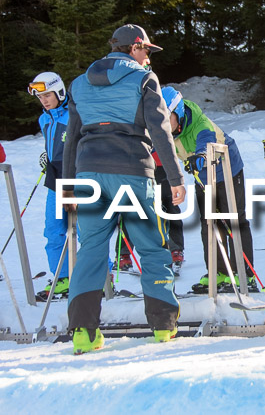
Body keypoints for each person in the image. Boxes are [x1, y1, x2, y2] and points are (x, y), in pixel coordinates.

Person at [62, 24, 186, 354]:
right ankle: (163, 327)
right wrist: (175, 179)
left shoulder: (78, 84)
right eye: (146, 50)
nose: (149, 58)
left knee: (90, 250)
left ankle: (83, 334)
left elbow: (71, 138)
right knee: (151, 245)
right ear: (133, 48)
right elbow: (160, 132)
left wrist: (69, 186)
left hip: (88, 172)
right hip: (132, 169)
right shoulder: (144, 80)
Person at [161, 86, 258, 293]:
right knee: (209, 224)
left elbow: (206, 142)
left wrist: (201, 155)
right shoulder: (165, 130)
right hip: (202, 177)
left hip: (227, 169)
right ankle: (219, 271)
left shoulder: (199, 123)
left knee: (235, 220)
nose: (163, 123)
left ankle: (245, 275)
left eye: (166, 117)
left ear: (177, 113)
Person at [28, 72, 71, 301]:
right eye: (40, 97)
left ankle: (102, 275)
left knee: (87, 231)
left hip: (78, 178)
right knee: (54, 231)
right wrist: (47, 156)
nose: (44, 100)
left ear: (59, 91)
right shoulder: (44, 119)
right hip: (55, 180)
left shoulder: (74, 114)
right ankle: (62, 277)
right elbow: (53, 145)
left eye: (47, 95)